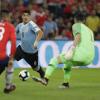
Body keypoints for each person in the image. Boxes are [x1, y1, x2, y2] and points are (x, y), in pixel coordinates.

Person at [32, 13, 95, 88]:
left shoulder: (76, 25)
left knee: (55, 60)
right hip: (90, 58)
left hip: (81, 54)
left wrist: (72, 48)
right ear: (84, 20)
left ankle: (45, 79)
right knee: (67, 63)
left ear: (75, 19)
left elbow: (78, 36)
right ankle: (66, 84)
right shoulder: (90, 31)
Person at [15, 10, 45, 79]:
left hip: (31, 53)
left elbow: (40, 33)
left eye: (27, 15)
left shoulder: (31, 24)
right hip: (21, 49)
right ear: (22, 17)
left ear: (30, 17)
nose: (25, 17)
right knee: (9, 60)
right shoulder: (20, 25)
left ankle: (42, 73)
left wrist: (36, 42)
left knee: (35, 68)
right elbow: (14, 32)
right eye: (24, 15)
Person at [0, 10, 16, 93]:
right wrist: (11, 57)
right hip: (1, 57)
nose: (10, 18)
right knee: (10, 65)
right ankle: (8, 86)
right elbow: (13, 43)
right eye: (9, 16)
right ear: (5, 17)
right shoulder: (10, 27)